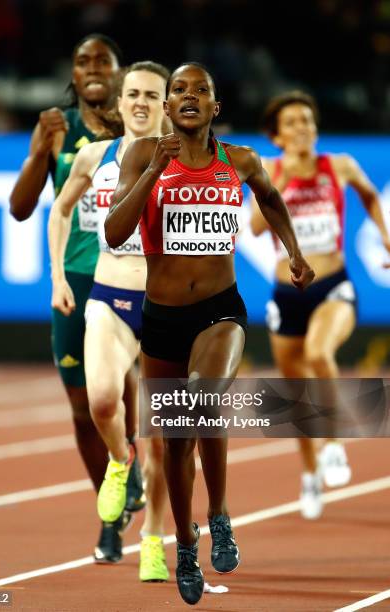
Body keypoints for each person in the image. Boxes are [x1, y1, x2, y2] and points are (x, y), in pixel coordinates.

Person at [105, 62, 314, 605]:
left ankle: (219, 514)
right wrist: (153, 171)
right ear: (169, 107)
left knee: (204, 397)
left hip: (221, 311)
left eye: (201, 90)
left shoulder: (239, 161)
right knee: (176, 442)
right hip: (161, 318)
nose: (189, 95)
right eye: (179, 90)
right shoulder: (140, 155)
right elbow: (114, 230)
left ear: (215, 108)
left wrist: (292, 252)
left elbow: (269, 197)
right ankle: (188, 544)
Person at [9, 34, 144, 563]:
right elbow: (22, 209)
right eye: (82, 61)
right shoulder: (57, 127)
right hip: (74, 280)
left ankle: (138, 478)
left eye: (102, 61)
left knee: (125, 385)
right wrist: (41, 150)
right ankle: (109, 511)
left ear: (119, 71)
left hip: (130, 277)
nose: (91, 68)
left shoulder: (136, 125)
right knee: (82, 408)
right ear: (73, 71)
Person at [48, 61, 171, 582]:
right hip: (109, 295)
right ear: (119, 103)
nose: (140, 102)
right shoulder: (95, 155)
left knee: (167, 435)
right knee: (102, 400)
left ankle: (152, 540)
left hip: (168, 307)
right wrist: (57, 275)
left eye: (151, 95)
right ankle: (120, 460)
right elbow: (60, 210)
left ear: (167, 105)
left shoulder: (189, 162)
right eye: (133, 94)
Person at [250, 91, 390, 519]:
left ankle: (332, 446)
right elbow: (255, 228)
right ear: (277, 135)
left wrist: (384, 233)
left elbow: (368, 194)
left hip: (332, 284)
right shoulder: (269, 170)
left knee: (319, 353)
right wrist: (284, 184)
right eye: (291, 123)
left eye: (307, 121)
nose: (302, 129)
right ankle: (310, 474)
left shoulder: (340, 165)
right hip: (286, 295)